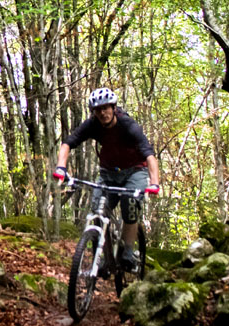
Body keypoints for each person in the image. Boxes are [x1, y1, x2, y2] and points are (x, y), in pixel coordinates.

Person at [53, 87, 159, 273]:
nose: (103, 113)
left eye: (106, 108)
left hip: (135, 172)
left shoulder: (128, 125)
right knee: (98, 210)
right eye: (98, 110)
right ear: (94, 112)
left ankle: (127, 251)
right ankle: (102, 257)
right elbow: (68, 143)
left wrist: (154, 182)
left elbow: (149, 154)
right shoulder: (92, 124)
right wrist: (61, 168)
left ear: (113, 107)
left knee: (130, 205)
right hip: (108, 174)